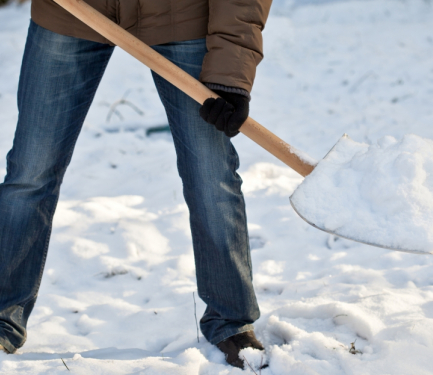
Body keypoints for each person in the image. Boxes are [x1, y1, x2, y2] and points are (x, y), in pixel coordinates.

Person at [0, 0, 272, 369]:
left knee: (211, 174)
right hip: (70, 9)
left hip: (183, 14)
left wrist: (231, 72)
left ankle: (231, 320)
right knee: (30, 172)